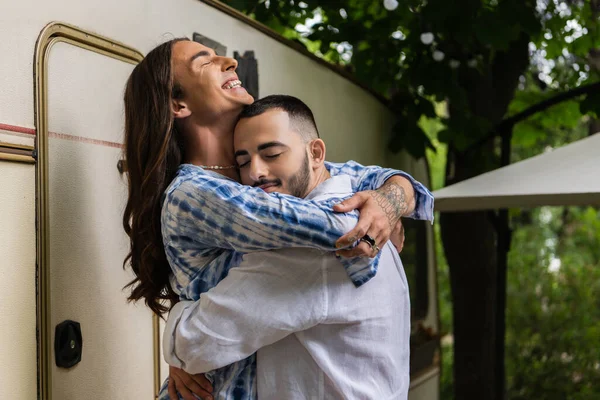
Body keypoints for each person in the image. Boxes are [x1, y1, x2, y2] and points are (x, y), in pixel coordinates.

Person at [121, 38, 434, 400]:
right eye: (204, 61)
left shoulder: (251, 179)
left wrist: (390, 197)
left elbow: (349, 176)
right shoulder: (195, 192)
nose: (230, 61)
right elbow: (345, 227)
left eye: (271, 154)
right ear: (178, 103)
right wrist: (380, 211)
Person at [163, 94, 413, 399]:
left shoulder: (312, 248)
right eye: (243, 161)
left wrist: (177, 331)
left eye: (271, 154)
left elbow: (198, 342)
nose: (255, 173)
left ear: (316, 153)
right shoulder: (363, 205)